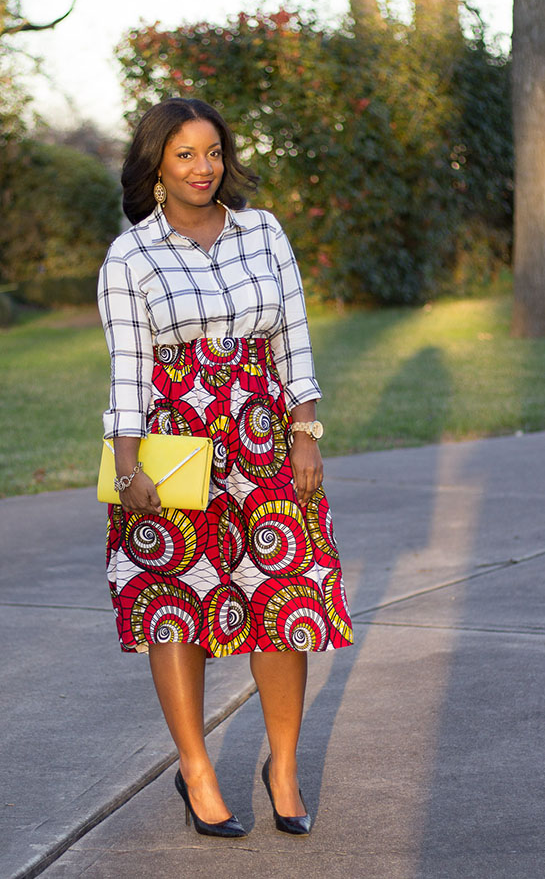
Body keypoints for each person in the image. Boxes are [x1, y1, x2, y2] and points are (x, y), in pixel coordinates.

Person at [98, 97, 353, 838]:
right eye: (184, 154)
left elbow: (294, 340)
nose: (202, 167)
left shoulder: (263, 231)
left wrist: (304, 430)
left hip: (264, 432)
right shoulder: (131, 256)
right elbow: (128, 371)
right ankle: (197, 769)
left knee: (284, 593)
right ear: (156, 167)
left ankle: (283, 766)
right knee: (174, 600)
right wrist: (126, 467)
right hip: (174, 442)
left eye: (212, 151)